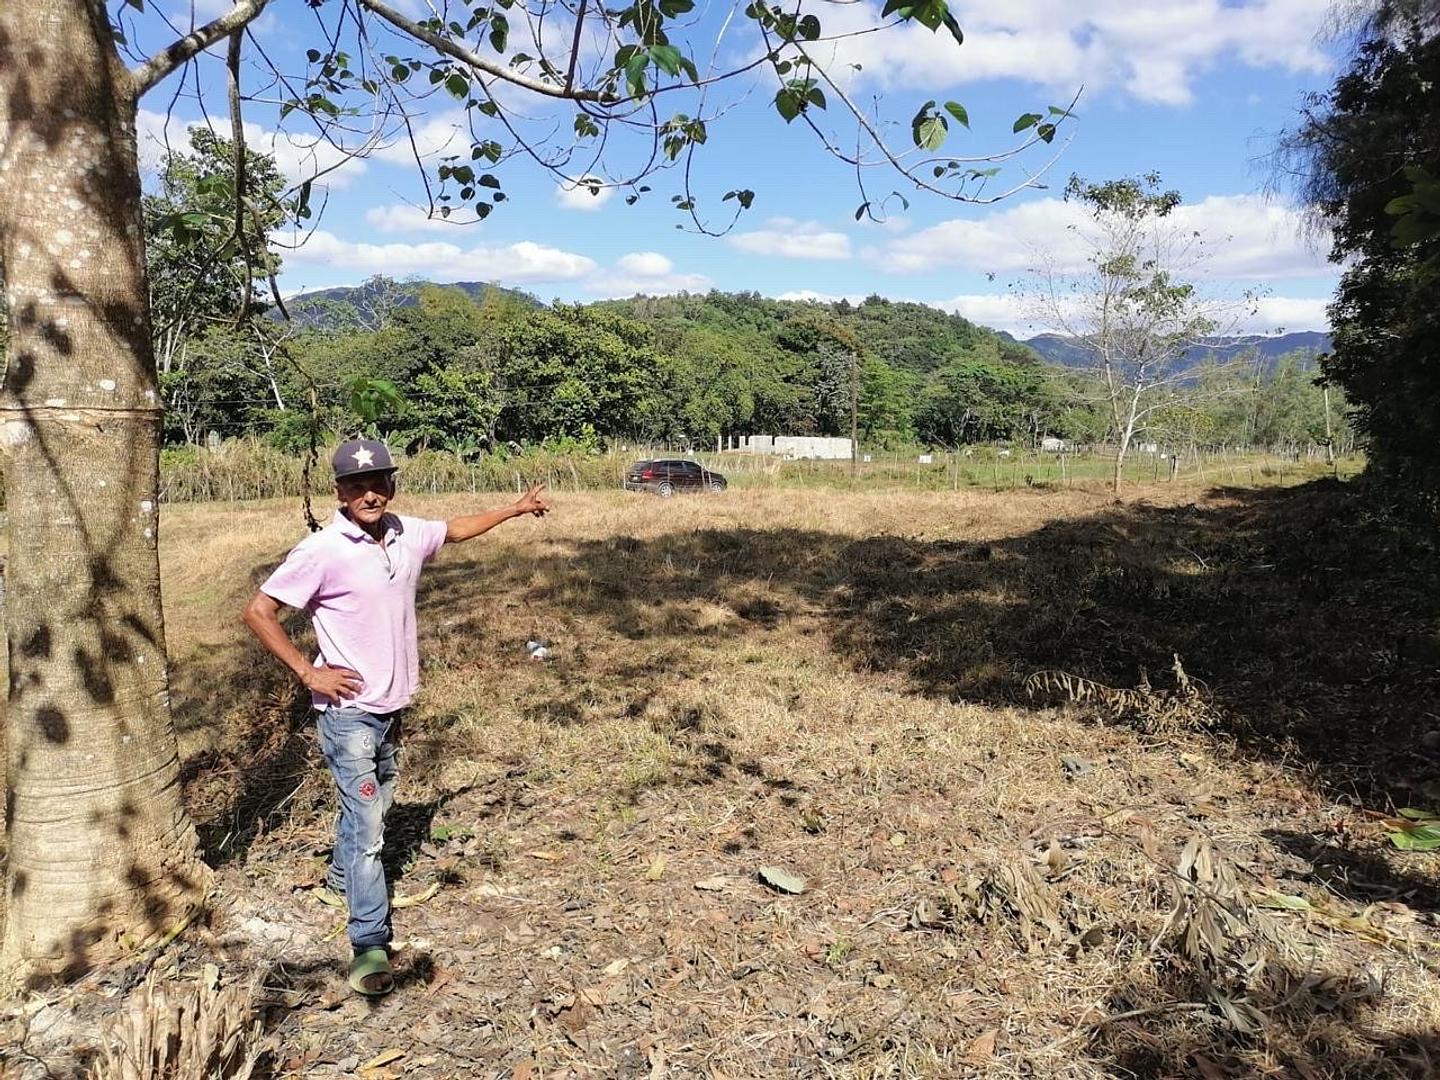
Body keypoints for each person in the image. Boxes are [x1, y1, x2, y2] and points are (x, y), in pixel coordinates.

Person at [242, 438, 549, 995]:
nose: (369, 493)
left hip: (392, 705)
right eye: (356, 485)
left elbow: (453, 529)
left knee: (377, 804)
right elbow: (259, 611)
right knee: (368, 832)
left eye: (379, 482)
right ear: (338, 492)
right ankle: (368, 941)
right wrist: (309, 674)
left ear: (392, 486)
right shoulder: (322, 550)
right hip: (349, 713)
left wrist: (515, 508)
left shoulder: (406, 535)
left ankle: (340, 879)